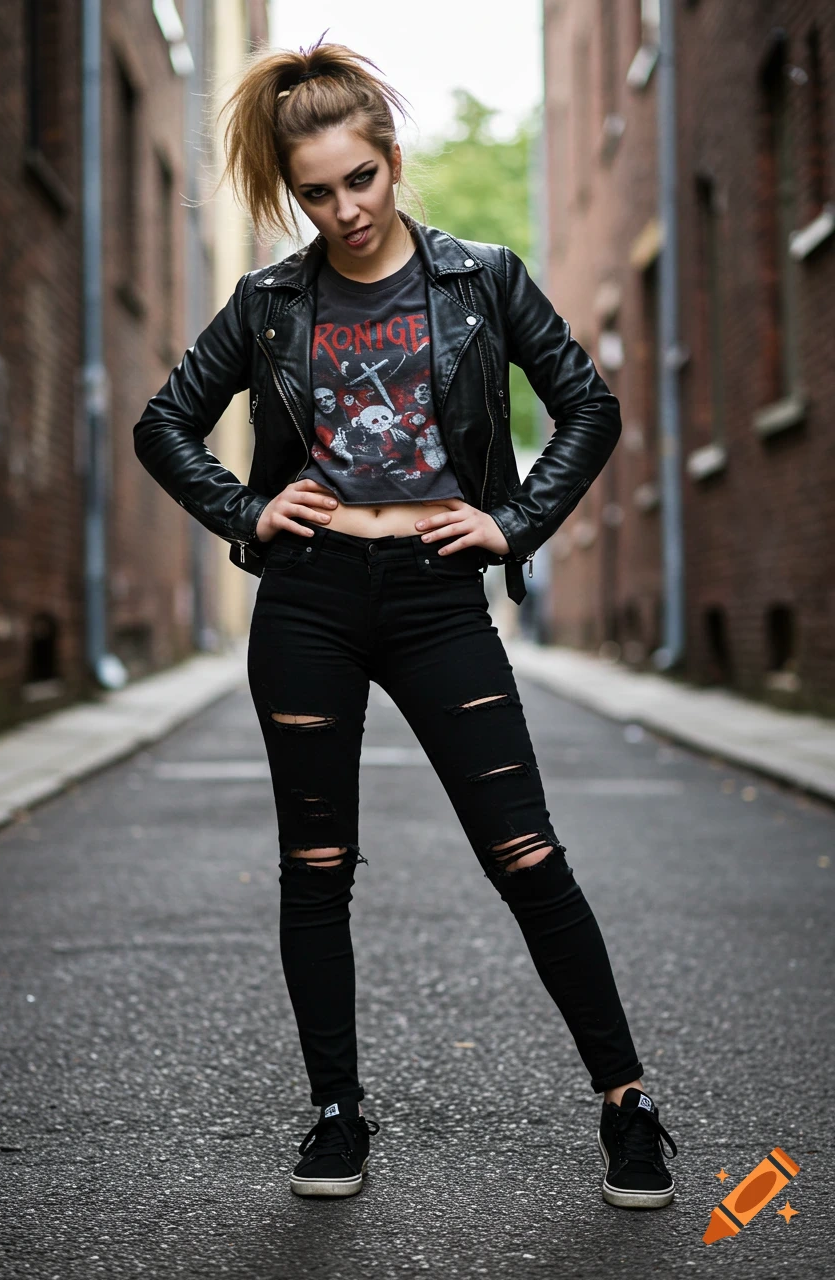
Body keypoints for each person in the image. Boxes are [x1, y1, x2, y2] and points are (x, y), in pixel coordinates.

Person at [133, 38, 678, 1207]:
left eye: (358, 180)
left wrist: (514, 522)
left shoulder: (481, 278)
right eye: (314, 192)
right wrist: (247, 509)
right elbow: (163, 421)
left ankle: (627, 1104)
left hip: (438, 598)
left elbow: (585, 401)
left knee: (524, 851)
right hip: (311, 601)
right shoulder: (270, 301)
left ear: (391, 159)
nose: (342, 211)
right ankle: (335, 1112)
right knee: (315, 865)